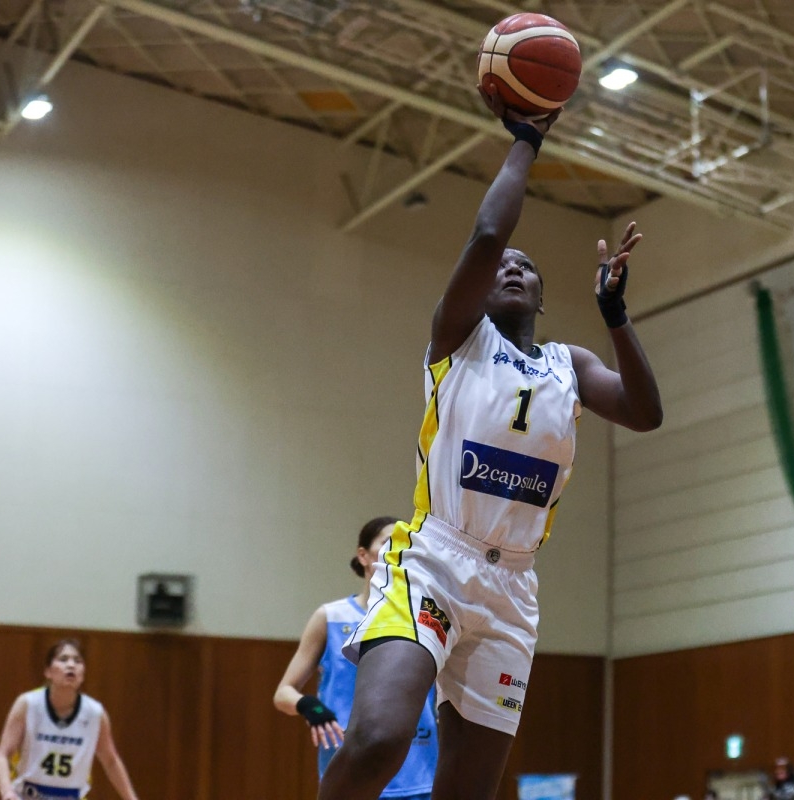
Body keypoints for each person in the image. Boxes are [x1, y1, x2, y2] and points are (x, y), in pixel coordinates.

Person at [317, 90, 662, 800]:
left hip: (513, 586)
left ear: (541, 297)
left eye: (526, 267)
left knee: (467, 792)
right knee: (379, 740)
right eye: (502, 263)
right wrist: (526, 140)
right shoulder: (458, 339)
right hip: (436, 560)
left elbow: (645, 413)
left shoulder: (570, 365)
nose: (510, 267)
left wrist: (615, 314)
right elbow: (484, 237)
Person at [273, 516, 437, 798]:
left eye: (405, 544)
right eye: (388, 542)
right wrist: (311, 707)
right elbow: (283, 693)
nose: (397, 550)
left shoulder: (425, 619)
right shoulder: (331, 617)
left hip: (419, 776)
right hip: (350, 775)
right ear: (363, 556)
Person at [0, 639, 140, 800]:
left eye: (77, 661)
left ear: (83, 674)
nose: (71, 665)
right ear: (48, 671)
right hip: (27, 795)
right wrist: (7, 792)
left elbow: (111, 761)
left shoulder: (94, 713)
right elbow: (2, 755)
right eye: (63, 659)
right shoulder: (28, 704)